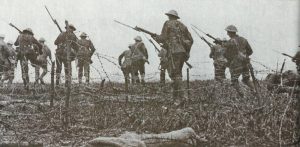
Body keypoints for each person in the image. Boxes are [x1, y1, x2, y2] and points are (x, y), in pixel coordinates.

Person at [153, 10, 193, 105]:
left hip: (173, 52)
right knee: (178, 74)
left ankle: (181, 98)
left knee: (175, 75)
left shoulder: (168, 23)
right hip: (182, 52)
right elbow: (191, 40)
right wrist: (186, 52)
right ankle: (177, 98)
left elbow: (162, 38)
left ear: (169, 16)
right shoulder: (183, 26)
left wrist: (156, 37)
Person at [221, 25, 254, 97]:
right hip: (245, 63)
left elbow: (226, 54)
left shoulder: (230, 42)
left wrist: (223, 47)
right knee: (246, 79)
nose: (227, 34)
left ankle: (242, 96)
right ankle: (254, 92)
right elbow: (250, 51)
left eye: (228, 32)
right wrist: (244, 56)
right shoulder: (244, 39)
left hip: (236, 64)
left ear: (230, 32)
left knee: (234, 81)